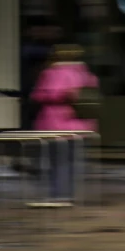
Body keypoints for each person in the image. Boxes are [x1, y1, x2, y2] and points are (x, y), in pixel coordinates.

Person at [30, 44, 99, 203]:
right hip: (82, 126)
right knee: (73, 162)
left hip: (55, 125)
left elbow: (41, 95)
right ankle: (70, 193)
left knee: (57, 162)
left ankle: (58, 195)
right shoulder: (87, 74)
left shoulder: (51, 74)